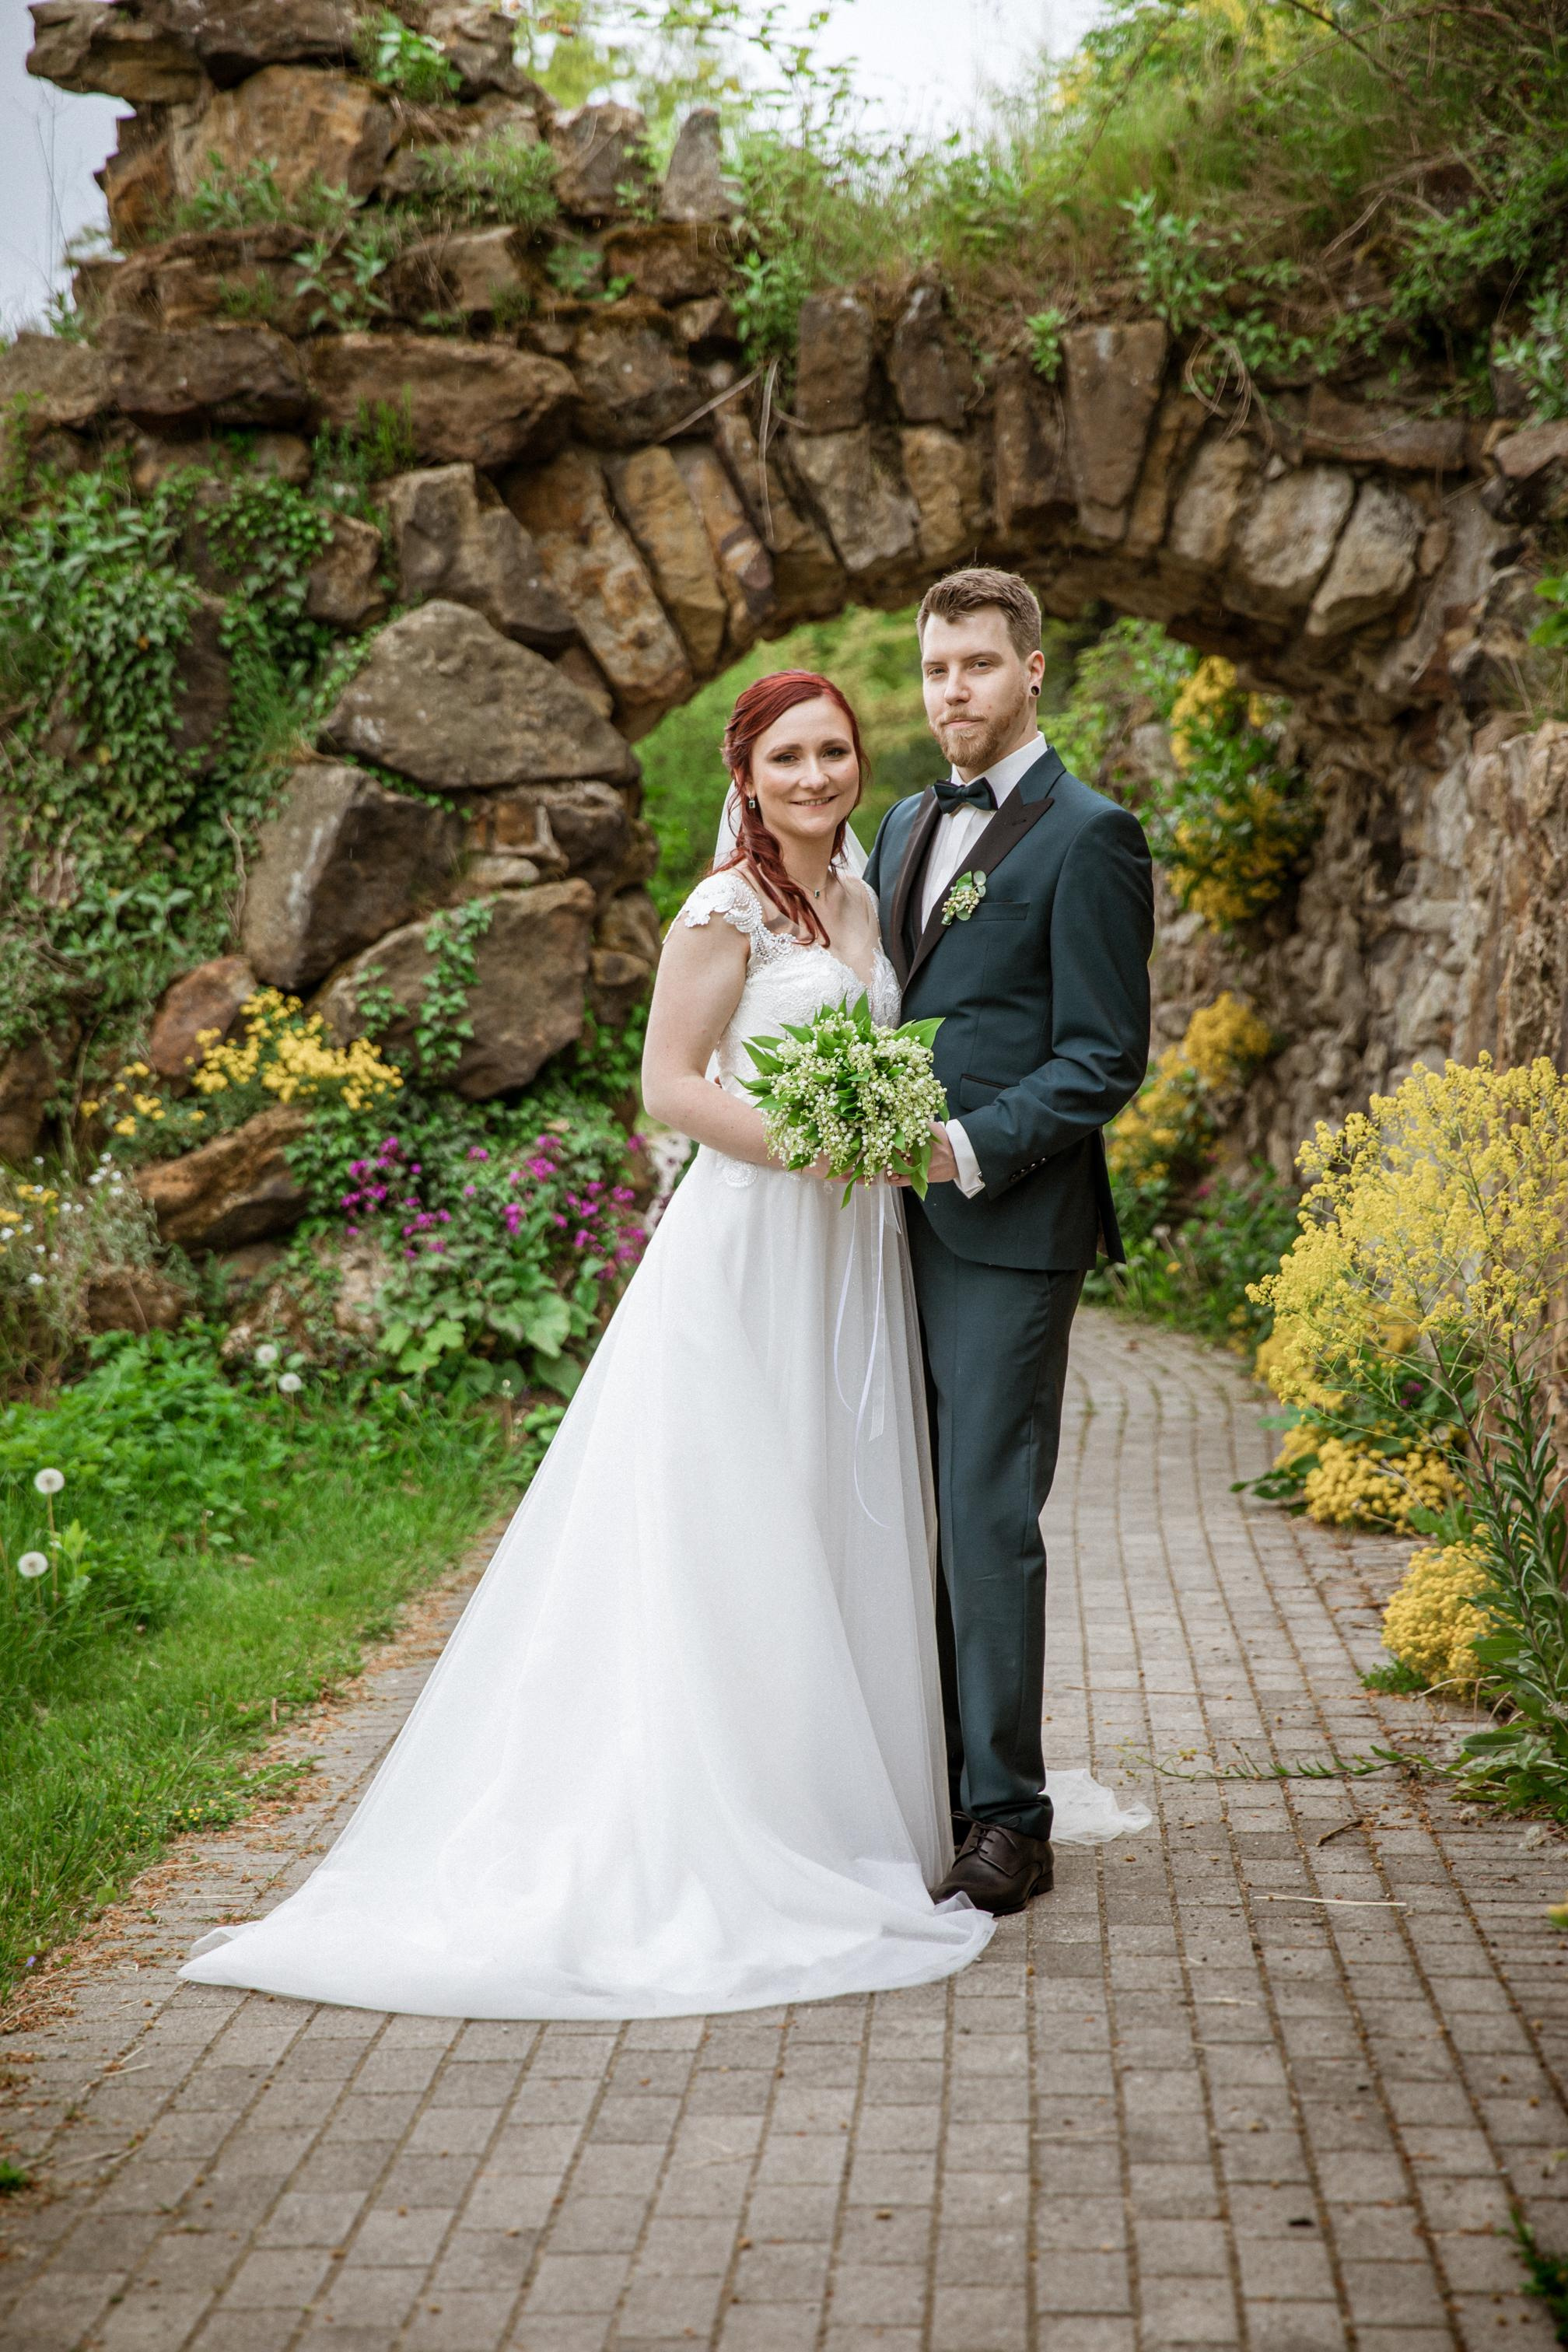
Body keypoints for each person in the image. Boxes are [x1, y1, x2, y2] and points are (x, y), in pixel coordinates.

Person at [865, 568, 1156, 1917]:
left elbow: (1103, 1056)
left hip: (1003, 1224)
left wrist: (964, 1147)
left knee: (985, 1513)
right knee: (885, 1501)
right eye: (935, 671)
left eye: (978, 665)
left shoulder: (1090, 834)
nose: (953, 693)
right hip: (870, 1227)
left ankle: (1008, 1817)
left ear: (1033, 669)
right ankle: (911, 1778)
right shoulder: (906, 823)